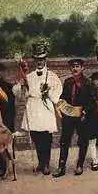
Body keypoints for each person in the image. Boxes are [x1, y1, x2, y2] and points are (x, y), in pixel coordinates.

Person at [13, 43, 62, 176]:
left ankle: (46, 163)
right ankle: (41, 162)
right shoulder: (29, 76)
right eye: (37, 60)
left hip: (45, 107)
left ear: (45, 60)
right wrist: (23, 86)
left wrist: (48, 92)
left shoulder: (51, 76)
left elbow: (58, 91)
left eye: (42, 59)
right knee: (36, 137)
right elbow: (19, 94)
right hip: (33, 108)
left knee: (46, 137)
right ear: (35, 61)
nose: (39, 62)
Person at [53, 58, 94, 177]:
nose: (75, 69)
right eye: (73, 67)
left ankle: (80, 165)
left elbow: (93, 101)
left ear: (82, 68)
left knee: (82, 140)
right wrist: (60, 106)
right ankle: (61, 167)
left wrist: (85, 112)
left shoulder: (87, 83)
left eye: (77, 66)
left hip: (82, 116)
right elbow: (63, 98)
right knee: (64, 141)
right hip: (69, 116)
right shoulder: (67, 82)